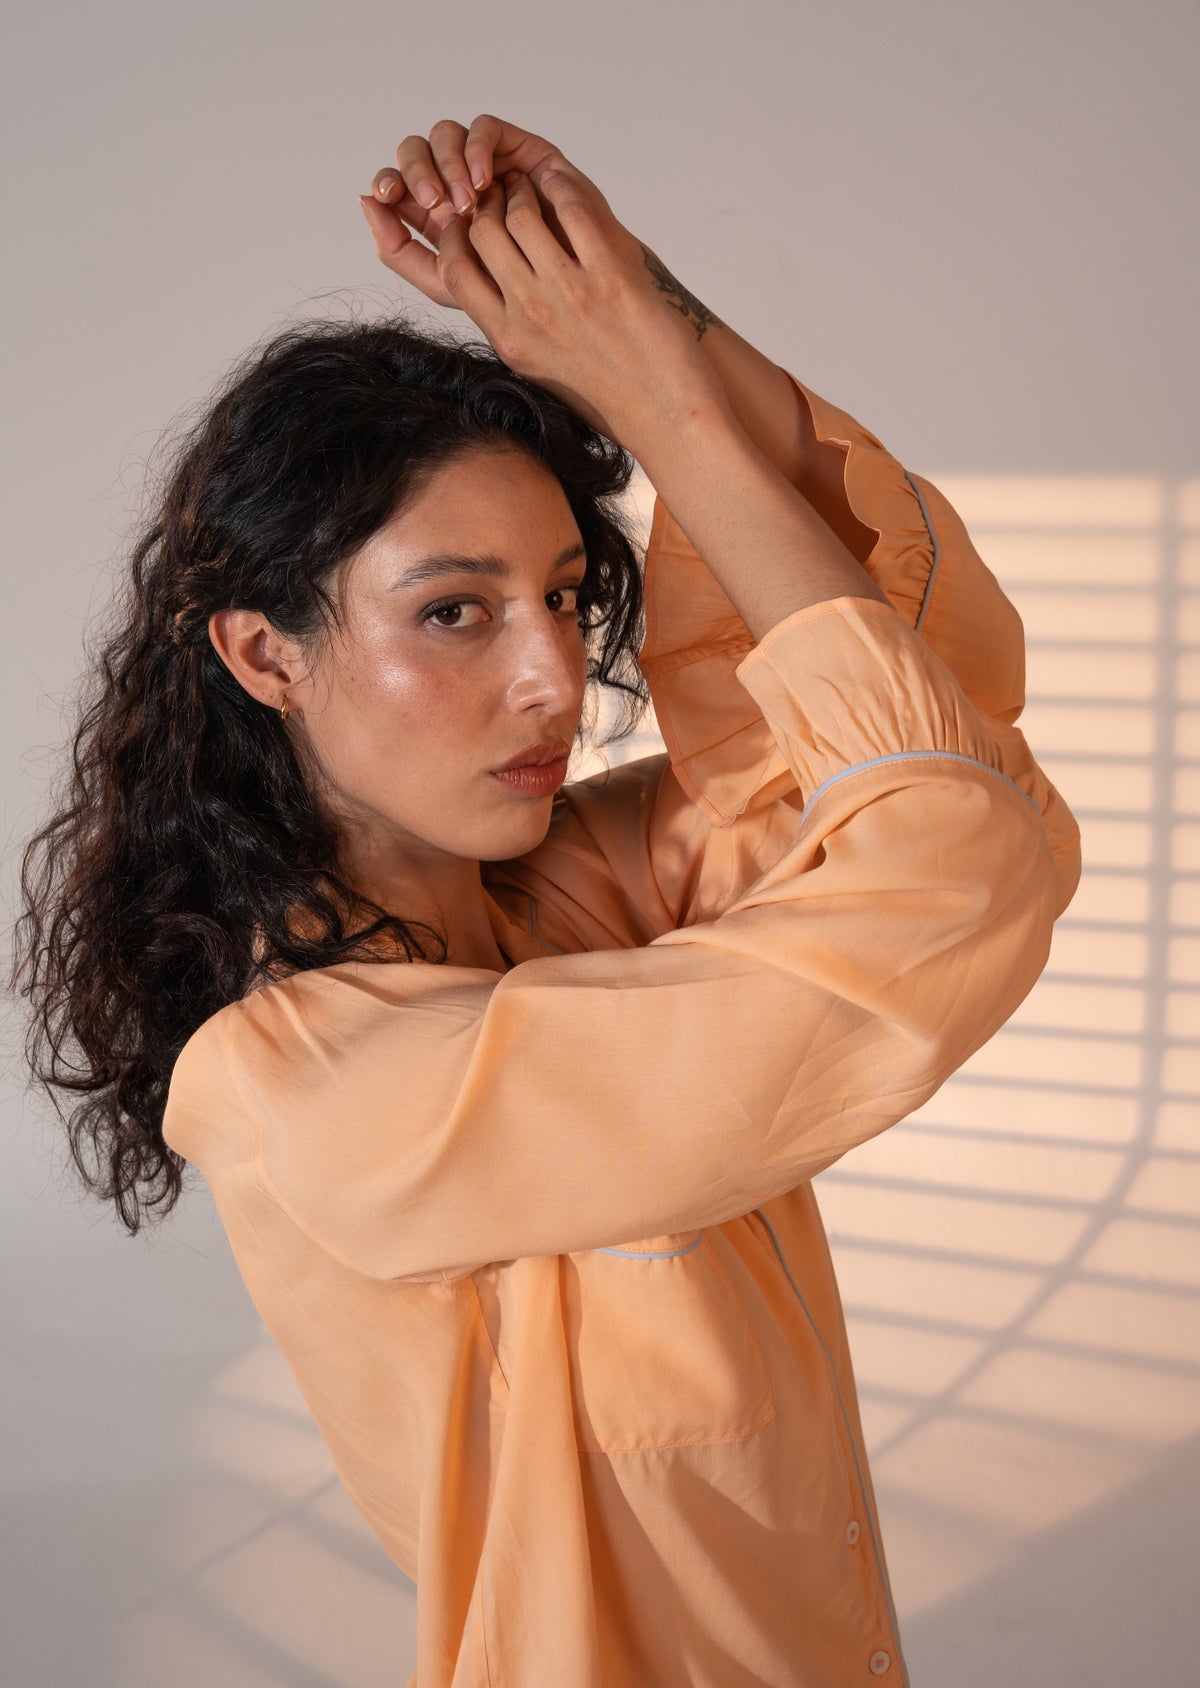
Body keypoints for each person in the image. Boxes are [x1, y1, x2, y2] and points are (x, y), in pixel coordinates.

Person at [12, 114, 1081, 1688]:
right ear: (262, 654)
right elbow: (946, 870)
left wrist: (645, 315)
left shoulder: (575, 895)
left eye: (567, 596)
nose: (553, 679)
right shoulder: (325, 1088)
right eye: (455, 611)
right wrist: (652, 402)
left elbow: (936, 712)